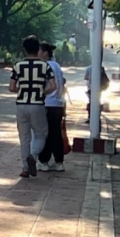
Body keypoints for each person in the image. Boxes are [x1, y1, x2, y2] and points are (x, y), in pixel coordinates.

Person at [10, 35, 56, 178]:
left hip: (21, 105)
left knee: (24, 138)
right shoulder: (45, 66)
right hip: (37, 104)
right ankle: (33, 156)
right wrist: (42, 91)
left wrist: (22, 89)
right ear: (37, 49)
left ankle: (25, 168)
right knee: (41, 134)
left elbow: (12, 87)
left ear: (25, 49)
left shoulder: (18, 66)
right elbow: (53, 86)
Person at [37, 42, 66, 172]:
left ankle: (44, 161)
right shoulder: (57, 66)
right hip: (58, 104)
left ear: (45, 53)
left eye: (39, 51)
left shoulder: (45, 66)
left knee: (46, 134)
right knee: (56, 133)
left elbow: (44, 85)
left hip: (47, 103)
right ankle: (59, 162)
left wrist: (41, 94)